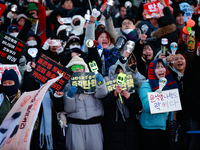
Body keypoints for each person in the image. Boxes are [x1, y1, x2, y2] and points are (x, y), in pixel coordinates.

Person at [64, 56, 107, 150]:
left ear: (85, 68)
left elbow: (102, 95)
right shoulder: (67, 85)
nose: (78, 69)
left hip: (94, 124)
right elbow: (68, 109)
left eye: (80, 66)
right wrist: (69, 95)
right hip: (75, 126)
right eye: (74, 67)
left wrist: (100, 83)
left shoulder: (92, 80)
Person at [139, 58, 179, 150]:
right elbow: (147, 107)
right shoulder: (146, 85)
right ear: (152, 71)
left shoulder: (168, 84)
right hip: (150, 129)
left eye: (162, 67)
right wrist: (158, 94)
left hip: (166, 127)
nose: (161, 69)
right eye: (157, 67)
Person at [102, 62, 143, 150]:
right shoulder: (106, 90)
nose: (120, 75)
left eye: (122, 72)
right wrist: (114, 94)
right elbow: (105, 105)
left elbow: (138, 109)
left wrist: (129, 98)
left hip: (130, 131)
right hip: (112, 131)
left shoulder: (131, 90)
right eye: (117, 73)